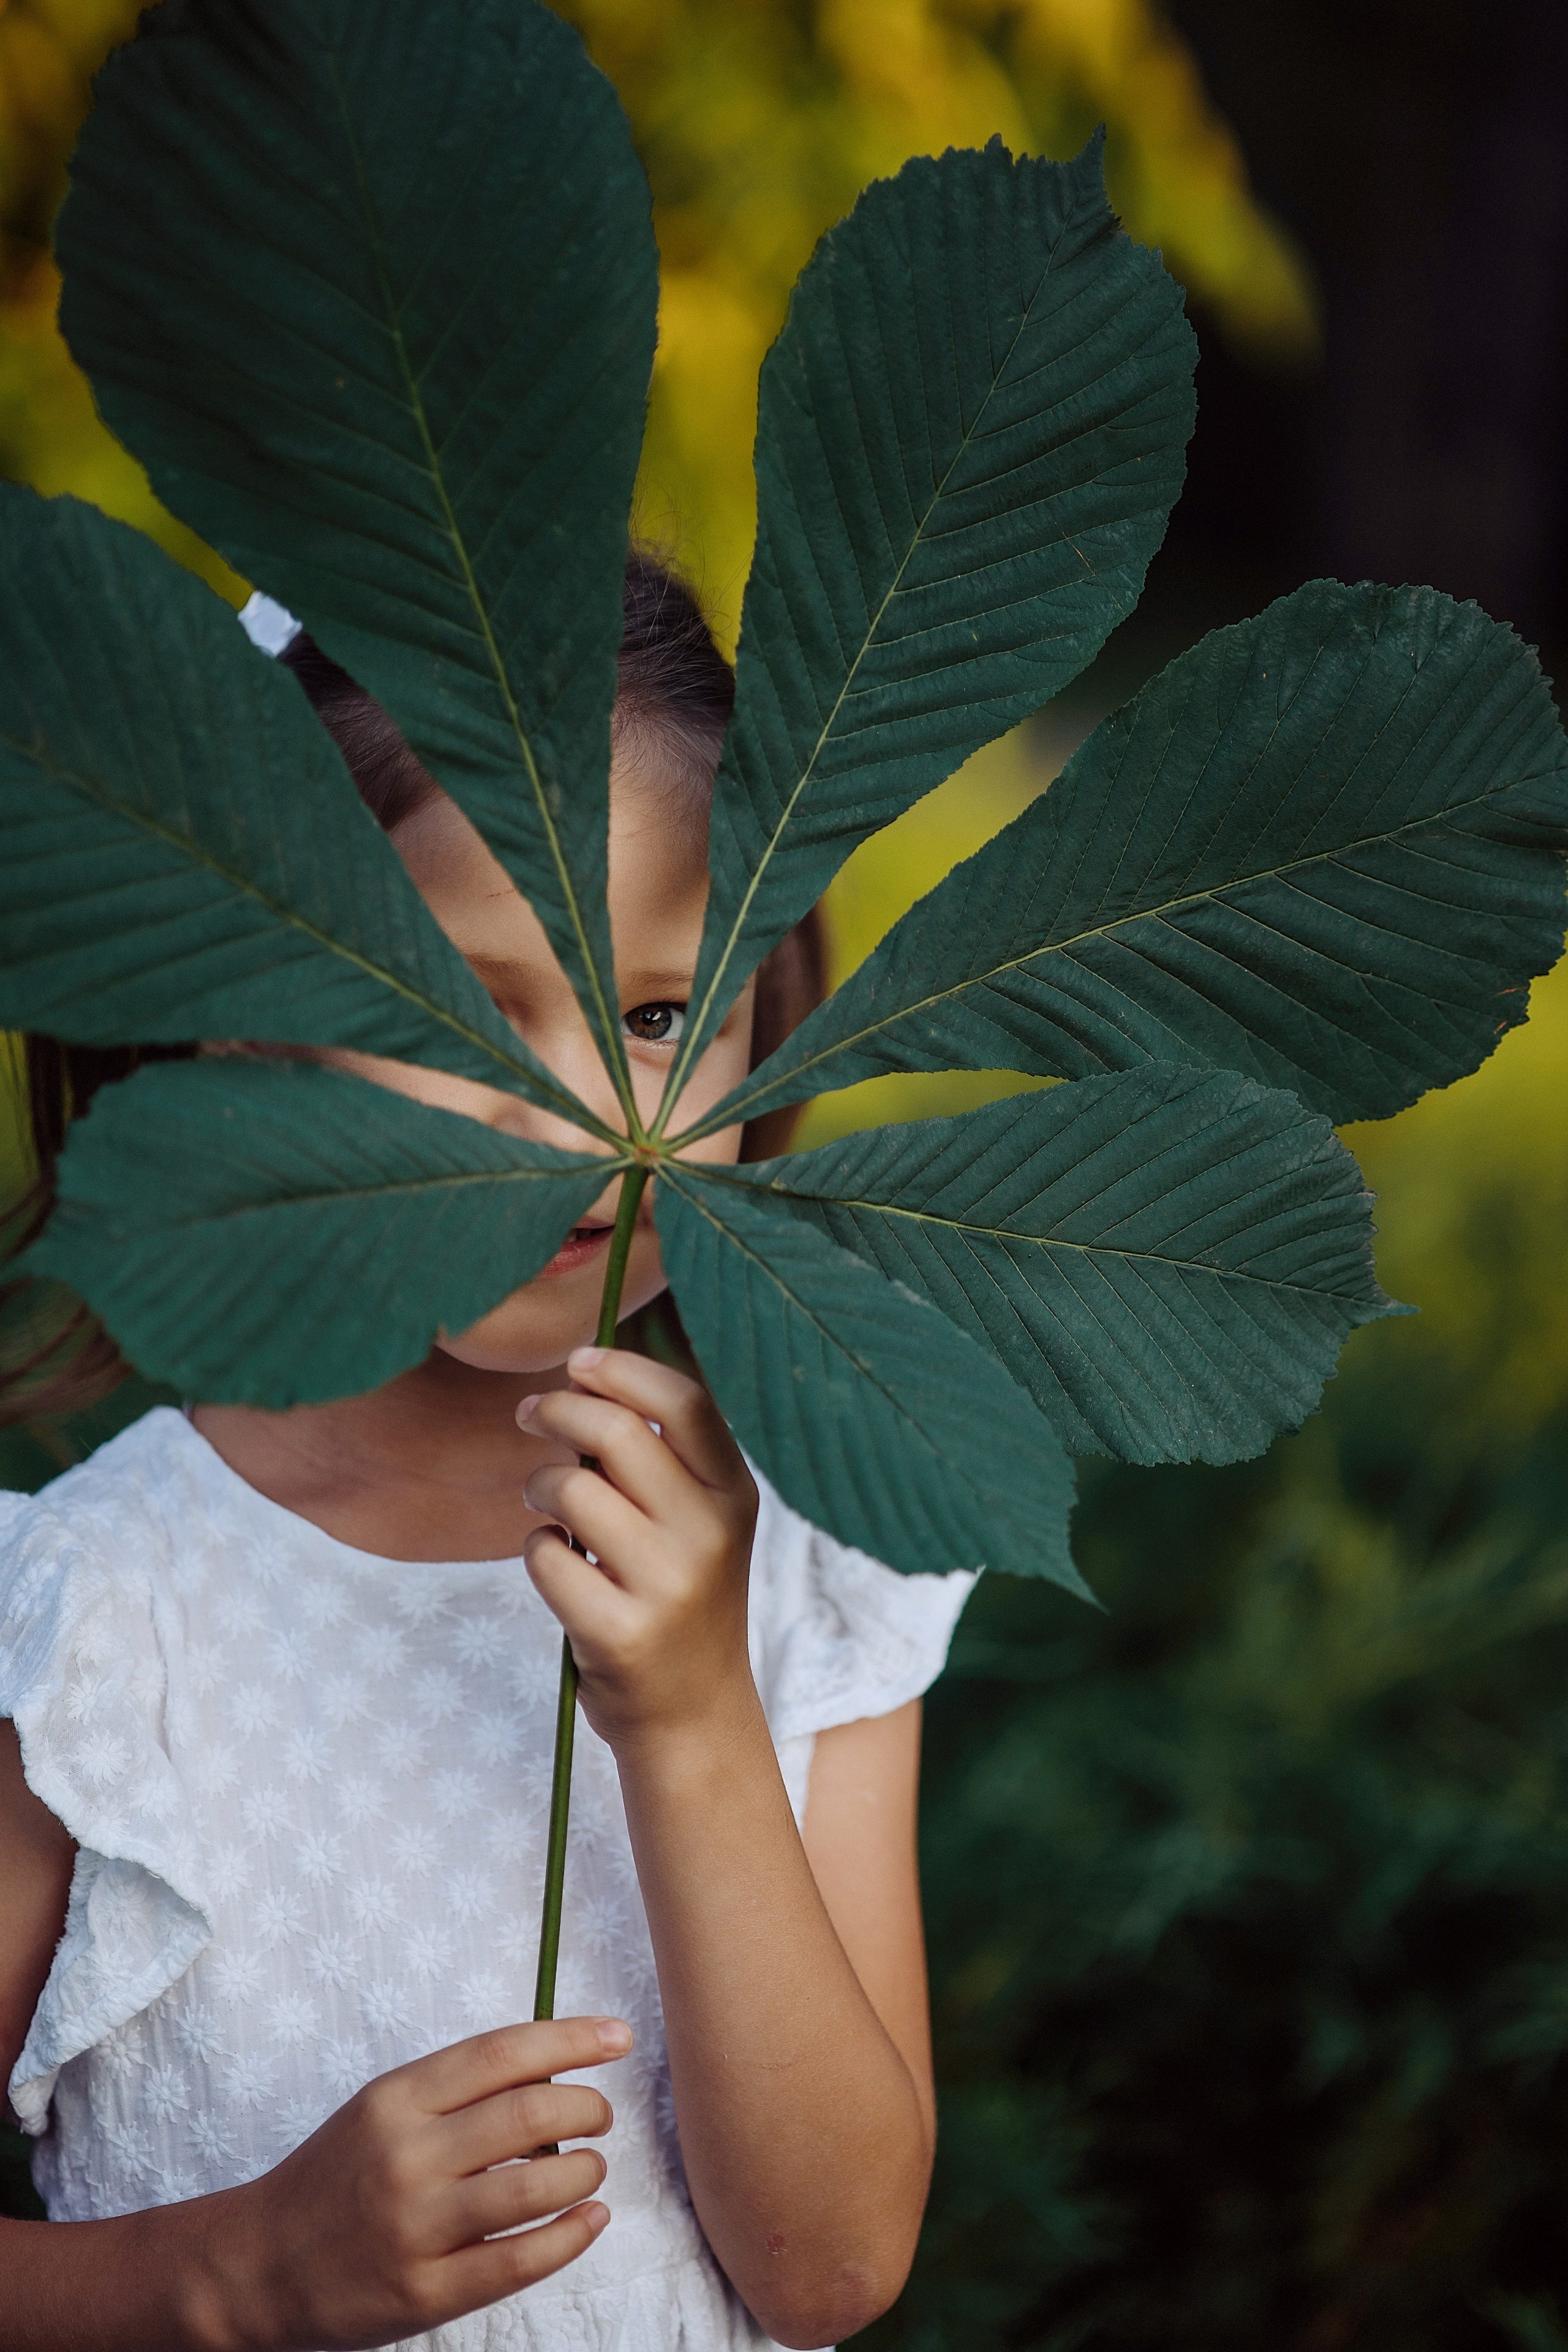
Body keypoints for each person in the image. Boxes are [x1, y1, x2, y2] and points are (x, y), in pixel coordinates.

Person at [0, 556, 975, 2352]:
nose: (582, 1115)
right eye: (455, 1011)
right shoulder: (88, 1619)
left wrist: (692, 1716)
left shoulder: (814, 1556)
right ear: (240, 1014)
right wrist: (230, 2275)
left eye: (665, 1013)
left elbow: (831, 2269)